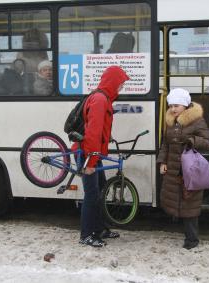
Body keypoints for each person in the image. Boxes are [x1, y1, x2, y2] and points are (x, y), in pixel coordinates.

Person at [78, 65, 130, 247]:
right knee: (91, 195)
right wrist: (91, 162)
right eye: (120, 83)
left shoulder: (103, 98)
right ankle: (86, 235)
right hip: (87, 155)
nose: (121, 87)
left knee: (99, 192)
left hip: (93, 154)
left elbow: (98, 130)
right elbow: (92, 133)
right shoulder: (100, 100)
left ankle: (100, 229)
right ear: (113, 81)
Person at [157, 88, 209, 250]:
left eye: (177, 105)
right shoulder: (171, 121)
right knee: (176, 200)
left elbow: (208, 143)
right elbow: (165, 144)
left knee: (190, 204)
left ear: (185, 105)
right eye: (171, 105)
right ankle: (184, 234)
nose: (173, 109)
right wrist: (162, 162)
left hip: (190, 170)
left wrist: (192, 140)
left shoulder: (196, 121)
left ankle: (192, 240)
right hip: (174, 169)